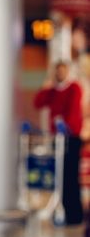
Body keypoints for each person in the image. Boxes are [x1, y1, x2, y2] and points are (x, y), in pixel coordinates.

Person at [34, 60, 84, 225]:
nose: (60, 74)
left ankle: (74, 215)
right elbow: (38, 102)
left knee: (70, 176)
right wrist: (46, 87)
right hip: (58, 139)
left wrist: (67, 127)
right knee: (59, 176)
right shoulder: (53, 91)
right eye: (57, 71)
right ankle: (60, 210)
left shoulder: (74, 88)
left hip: (71, 138)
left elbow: (74, 112)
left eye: (63, 71)